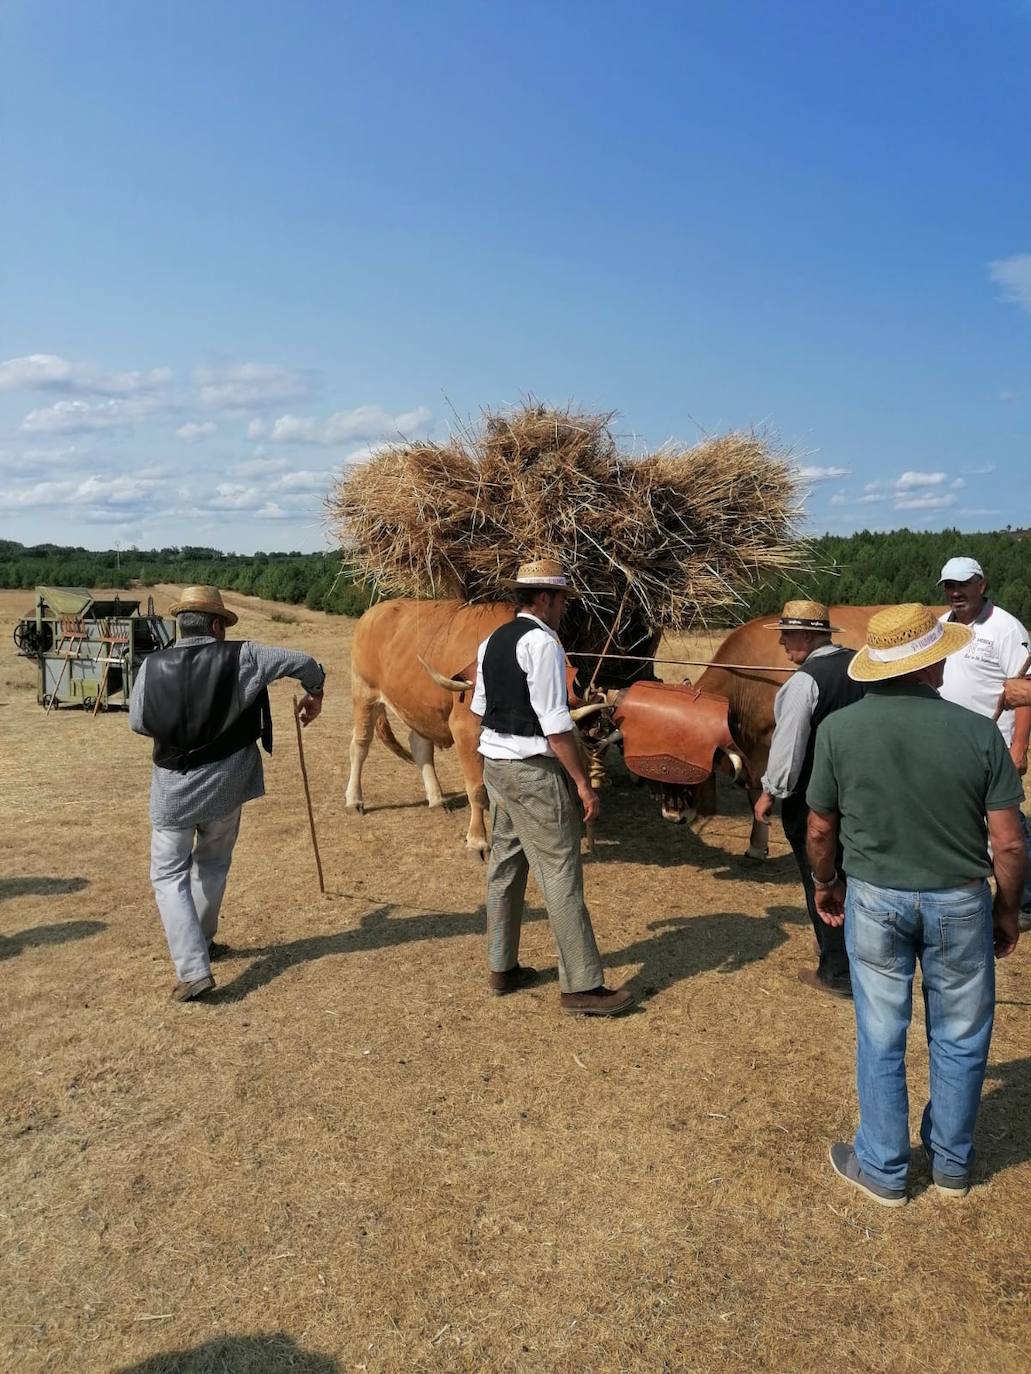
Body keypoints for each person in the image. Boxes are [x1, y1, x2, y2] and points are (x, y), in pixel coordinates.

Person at [805, 604, 1026, 1205]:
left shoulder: (839, 731)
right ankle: (953, 1164)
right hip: (960, 901)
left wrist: (826, 883)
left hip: (875, 899)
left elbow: (820, 830)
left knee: (880, 1032)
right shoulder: (979, 732)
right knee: (959, 1034)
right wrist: (1007, 911)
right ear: (933, 664)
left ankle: (883, 1168)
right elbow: (1007, 839)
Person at [130, 585, 326, 1002]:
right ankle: (200, 945)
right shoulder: (245, 655)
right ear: (217, 625)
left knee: (168, 875)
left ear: (181, 624)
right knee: (214, 862)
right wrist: (316, 692)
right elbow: (304, 662)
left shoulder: (151, 665)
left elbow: (139, 724)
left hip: (173, 792)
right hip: (225, 786)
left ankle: (194, 965)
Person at [470, 558, 638, 1017]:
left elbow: (479, 708)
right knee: (561, 873)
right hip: (532, 774)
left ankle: (501, 967)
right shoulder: (543, 644)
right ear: (544, 598)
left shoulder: (491, 642)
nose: (565, 607)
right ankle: (582, 985)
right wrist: (583, 784)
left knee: (505, 867)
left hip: (498, 769)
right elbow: (556, 724)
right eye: (562, 599)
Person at [753, 601, 863, 998]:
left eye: (787, 634)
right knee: (857, 878)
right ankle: (861, 957)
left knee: (821, 878)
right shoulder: (861, 666)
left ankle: (837, 970)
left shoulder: (805, 682)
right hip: (861, 795)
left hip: (815, 801)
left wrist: (768, 792)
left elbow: (788, 750)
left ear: (809, 635)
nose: (782, 642)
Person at [935, 556, 1031, 929]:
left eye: (963, 584)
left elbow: (1024, 690)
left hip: (993, 741)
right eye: (949, 586)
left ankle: (1024, 900)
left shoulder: (1005, 628)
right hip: (949, 740)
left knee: (1006, 823)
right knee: (960, 814)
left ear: (982, 585)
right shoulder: (943, 626)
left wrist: (1019, 746)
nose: (955, 592)